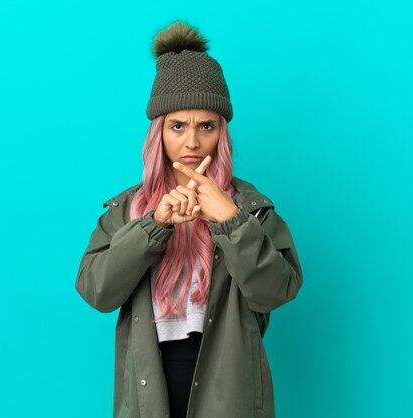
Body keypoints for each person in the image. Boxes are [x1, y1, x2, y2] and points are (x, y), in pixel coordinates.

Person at [75, 20, 303, 418]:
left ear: (222, 134)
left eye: (206, 126)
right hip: (150, 384)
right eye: (177, 126)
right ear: (158, 134)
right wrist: (153, 225)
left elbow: (275, 292)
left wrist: (230, 221)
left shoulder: (250, 207)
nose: (192, 142)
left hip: (229, 386)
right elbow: (97, 292)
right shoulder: (125, 209)